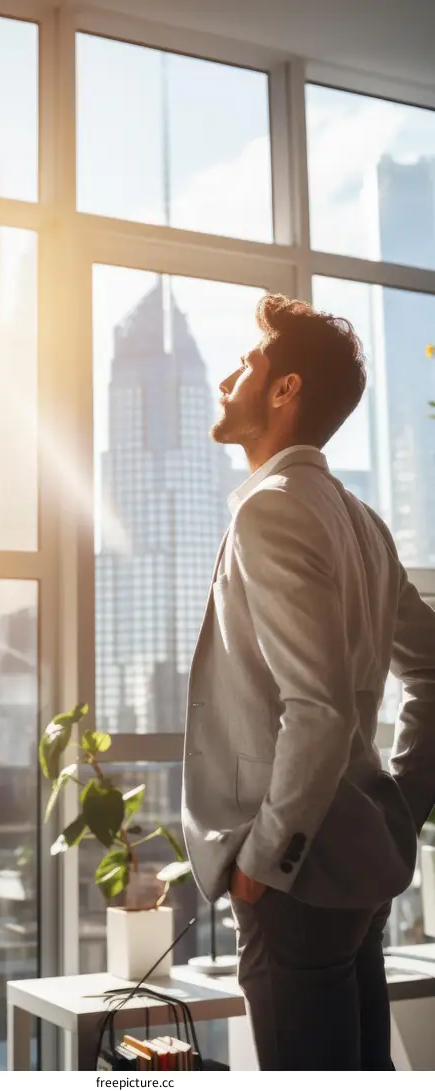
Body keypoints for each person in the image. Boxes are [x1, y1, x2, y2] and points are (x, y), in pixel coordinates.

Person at [181, 294, 435, 1071]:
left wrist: (265, 859)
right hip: (352, 871)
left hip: (297, 881)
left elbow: (318, 709)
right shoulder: (361, 519)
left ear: (284, 389)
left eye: (250, 362)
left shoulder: (274, 510)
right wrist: (398, 807)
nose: (230, 378)